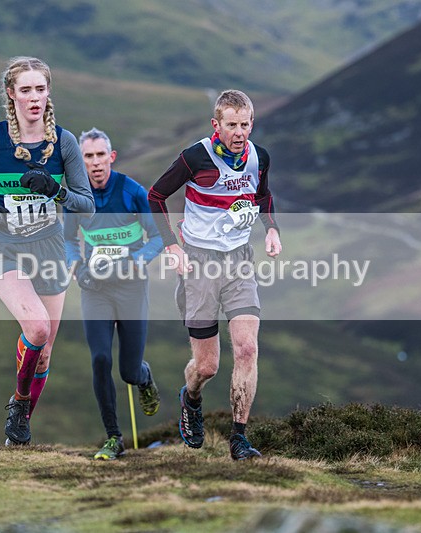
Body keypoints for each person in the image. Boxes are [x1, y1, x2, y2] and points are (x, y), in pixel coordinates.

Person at [0, 57, 94, 445]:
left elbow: (87, 204)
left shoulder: (64, 143)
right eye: (25, 90)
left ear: (49, 93)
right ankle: (20, 408)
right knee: (38, 328)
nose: (34, 98)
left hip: (49, 248)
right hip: (4, 249)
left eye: (40, 89)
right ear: (11, 95)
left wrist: (55, 190)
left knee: (44, 354)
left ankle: (19, 423)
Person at [148, 89, 282, 461]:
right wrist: (171, 246)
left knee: (247, 347)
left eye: (245, 125)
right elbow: (155, 196)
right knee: (207, 366)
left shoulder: (259, 157)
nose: (239, 133)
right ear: (216, 125)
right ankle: (190, 398)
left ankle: (239, 438)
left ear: (251, 123)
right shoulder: (195, 158)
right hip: (199, 264)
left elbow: (262, 195)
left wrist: (271, 228)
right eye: (231, 125)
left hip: (239, 262)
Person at [64, 128, 163, 460]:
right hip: (96, 290)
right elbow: (66, 240)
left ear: (111, 156)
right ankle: (113, 437)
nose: (94, 163)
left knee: (128, 372)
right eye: (87, 157)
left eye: (100, 155)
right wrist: (77, 268)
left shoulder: (133, 191)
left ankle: (144, 376)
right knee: (101, 359)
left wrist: (137, 261)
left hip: (132, 288)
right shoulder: (76, 198)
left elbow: (157, 236)